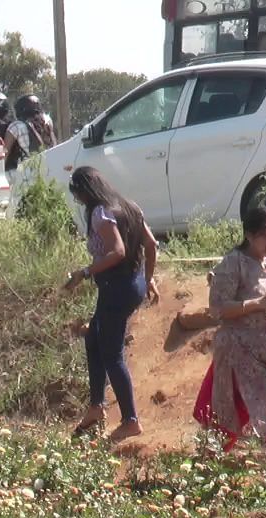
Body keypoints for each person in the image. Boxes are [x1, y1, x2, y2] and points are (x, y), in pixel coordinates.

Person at [194, 208, 266, 478]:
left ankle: (205, 470)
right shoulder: (233, 263)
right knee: (265, 405)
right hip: (238, 352)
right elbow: (218, 307)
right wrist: (257, 304)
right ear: (249, 235)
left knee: (240, 413)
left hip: (262, 352)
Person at [63, 167, 160, 441]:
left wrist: (84, 273)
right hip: (133, 283)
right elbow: (151, 245)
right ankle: (96, 406)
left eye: (78, 196)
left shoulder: (100, 213)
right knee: (93, 338)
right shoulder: (130, 207)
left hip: (116, 288)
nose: (79, 201)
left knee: (112, 354)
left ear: (85, 191)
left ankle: (130, 420)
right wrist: (148, 279)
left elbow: (117, 251)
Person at [4, 94, 57, 177]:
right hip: (49, 171)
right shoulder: (48, 123)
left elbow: (4, 153)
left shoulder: (16, 126)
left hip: (26, 174)